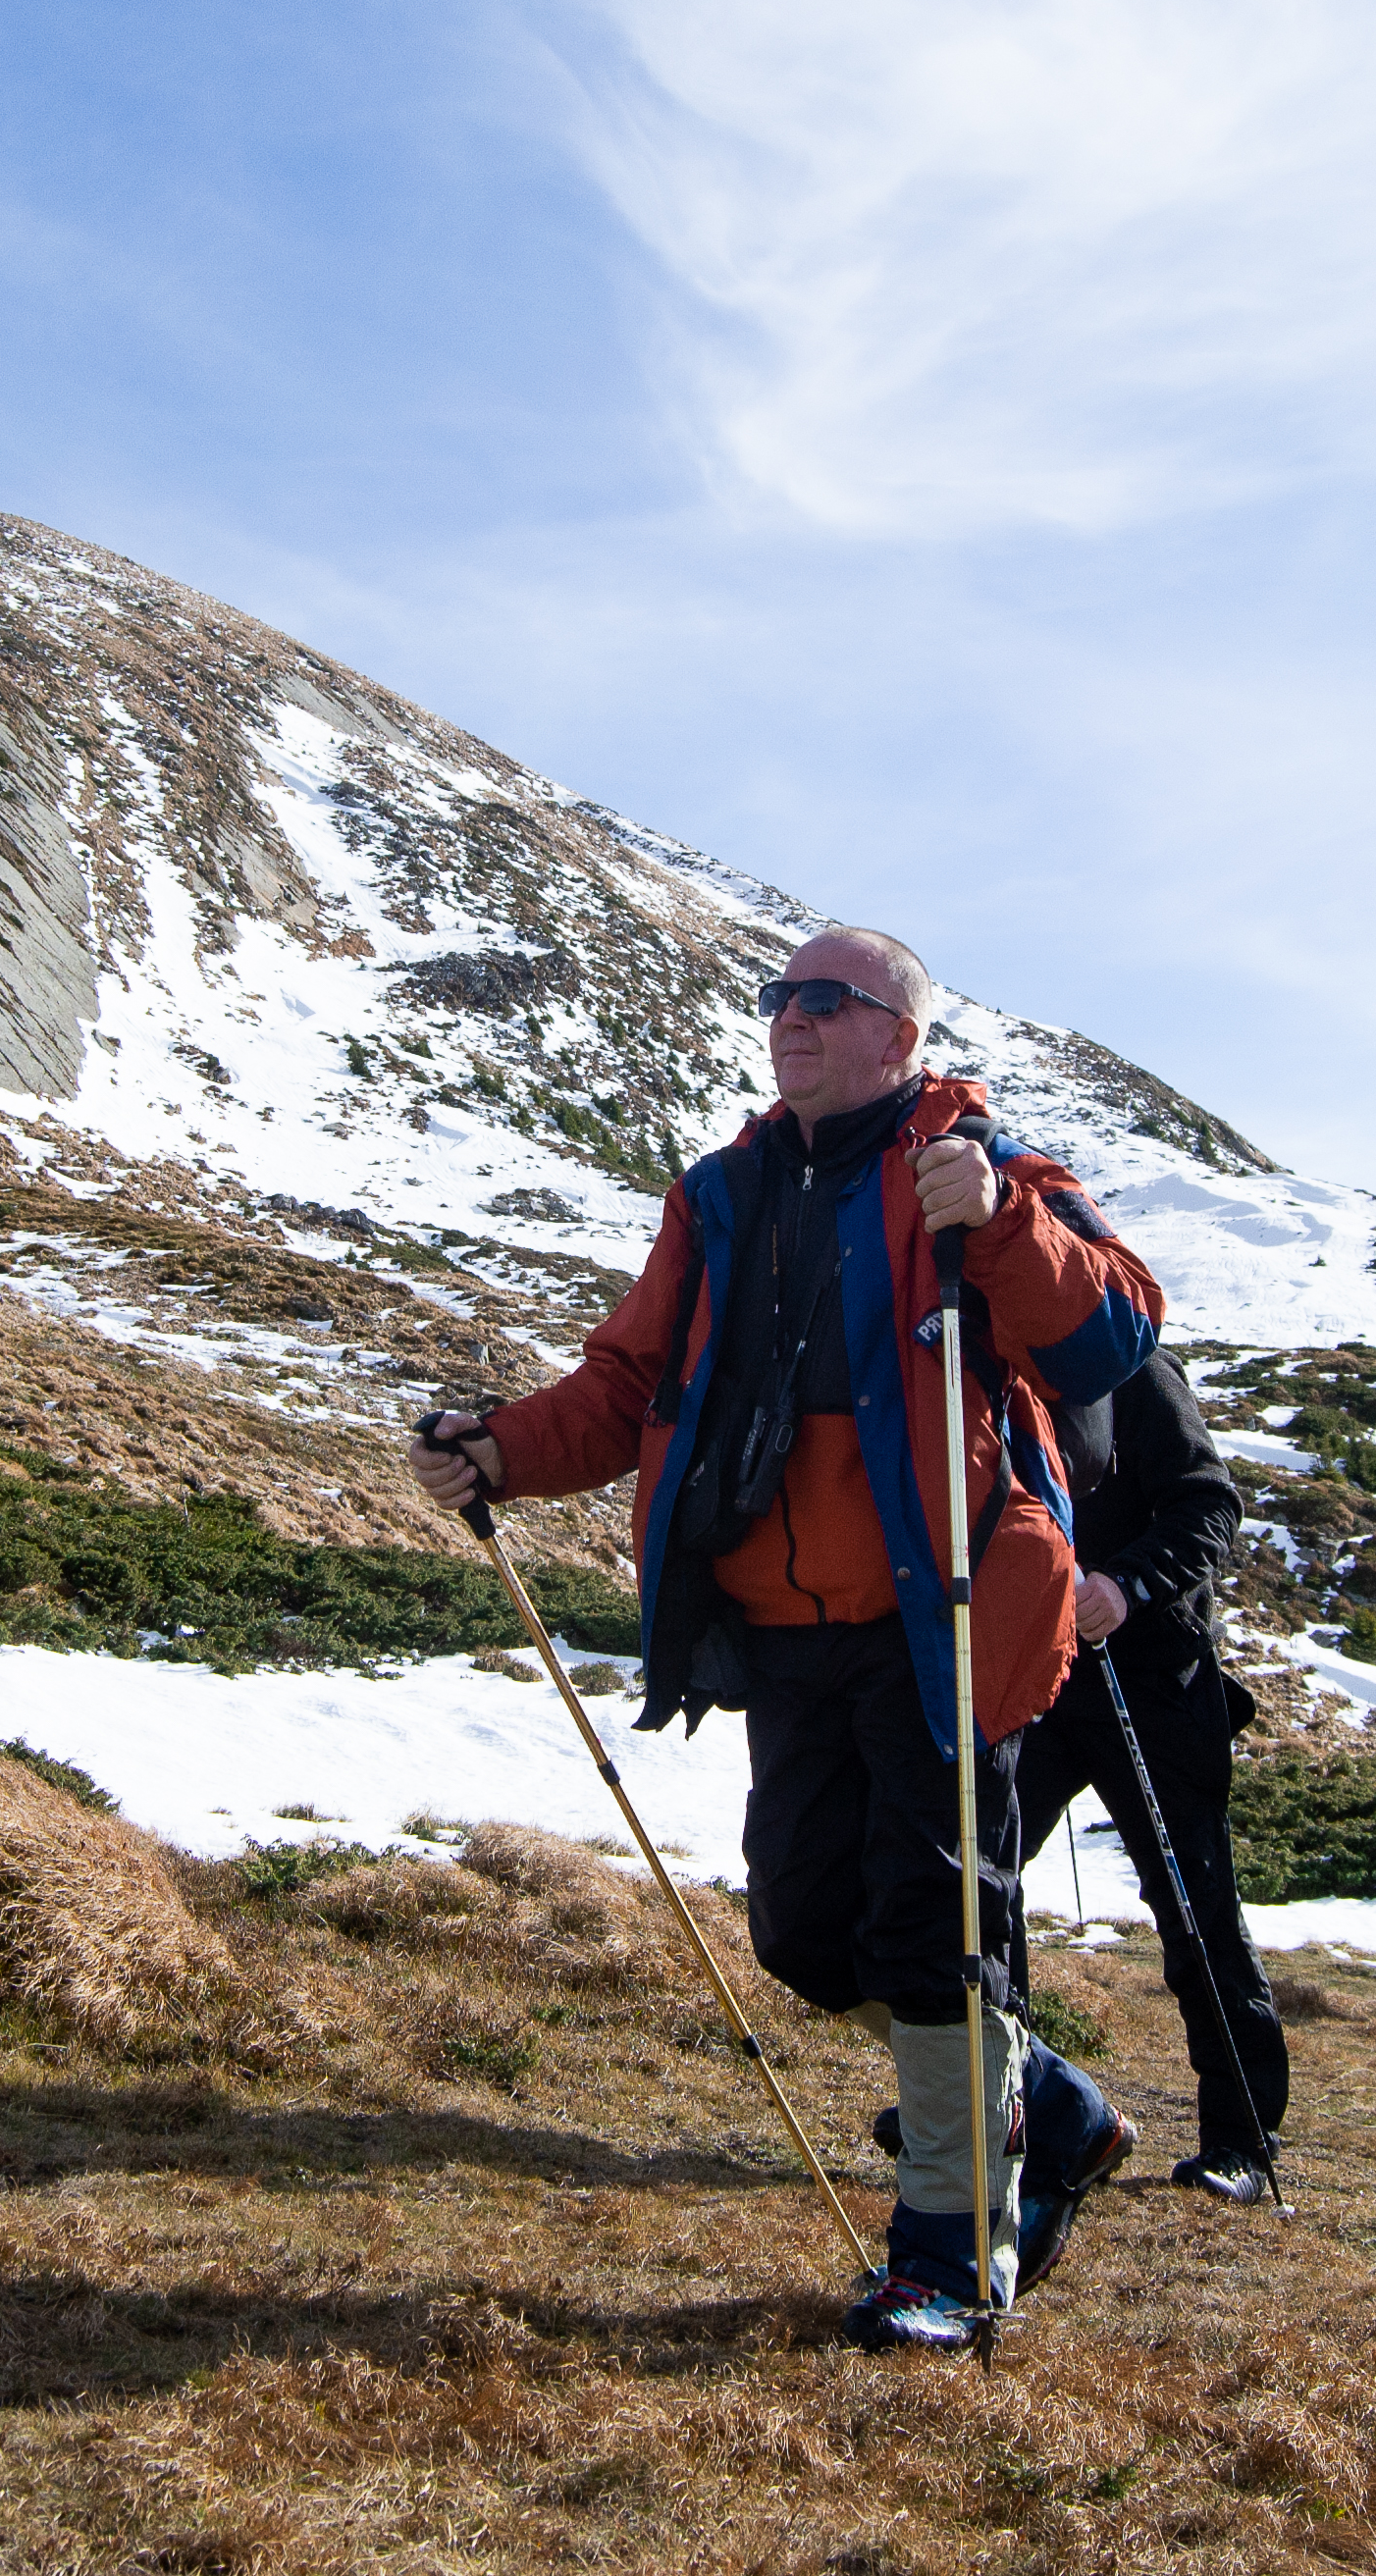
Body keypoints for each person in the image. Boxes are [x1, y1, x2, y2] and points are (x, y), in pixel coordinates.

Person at [409, 924, 1167, 2352]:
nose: (790, 1019)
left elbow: (1115, 1338)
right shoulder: (722, 1193)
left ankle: (949, 2265)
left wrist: (1003, 1222)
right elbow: (628, 1383)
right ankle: (1050, 2108)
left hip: (945, 1622)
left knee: (935, 1932)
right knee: (806, 1934)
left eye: (826, 999)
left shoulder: (984, 1168)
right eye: (778, 998)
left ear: (901, 1037)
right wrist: (499, 1451)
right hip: (784, 1629)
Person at [1007, 1346, 1288, 2199]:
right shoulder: (997, 1362)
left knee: (1195, 1905)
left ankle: (1242, 2142)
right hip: (1040, 1678)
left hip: (1155, 1685)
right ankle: (1006, 2102)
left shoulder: (1135, 1369)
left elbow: (1210, 1503)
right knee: (977, 1881)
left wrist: (1126, 1585)